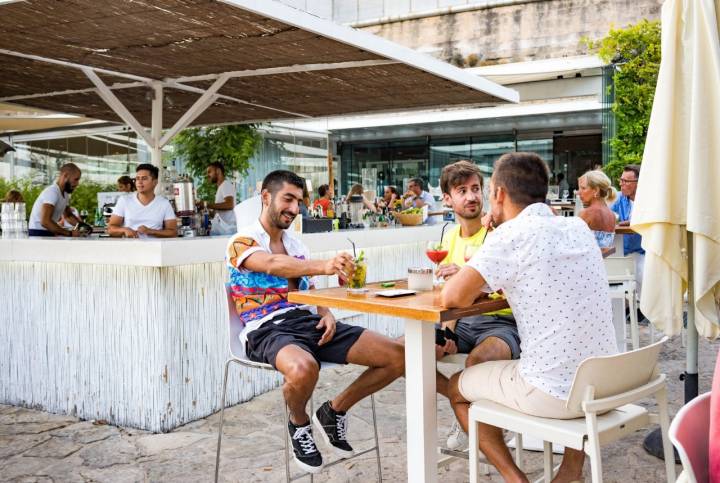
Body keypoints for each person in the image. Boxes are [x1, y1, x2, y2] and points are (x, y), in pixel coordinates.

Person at [442, 152, 617, 483]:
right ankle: (569, 473)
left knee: (456, 388)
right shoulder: (576, 227)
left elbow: (452, 297)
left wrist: (490, 240)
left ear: (498, 194)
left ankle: (514, 479)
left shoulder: (509, 236)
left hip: (553, 394)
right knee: (571, 354)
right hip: (606, 383)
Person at [227, 170, 404, 474]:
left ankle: (334, 410)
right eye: (288, 199)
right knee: (303, 368)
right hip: (265, 328)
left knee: (398, 357)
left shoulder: (297, 245)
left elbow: (307, 290)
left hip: (306, 322)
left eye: (299, 201)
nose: (295, 209)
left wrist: (326, 312)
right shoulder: (241, 242)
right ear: (266, 197)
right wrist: (324, 265)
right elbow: (273, 264)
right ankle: (298, 423)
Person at [434, 160, 521, 450]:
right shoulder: (449, 238)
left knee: (476, 364)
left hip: (503, 323)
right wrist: (446, 333)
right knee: (405, 353)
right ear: (447, 199)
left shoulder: (497, 231)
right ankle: (469, 414)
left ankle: (477, 419)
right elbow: (452, 297)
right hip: (463, 322)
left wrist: (468, 279)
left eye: (476, 189)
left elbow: (507, 286)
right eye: (462, 190)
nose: (472, 196)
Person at [107, 164, 177, 239]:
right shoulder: (124, 200)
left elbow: (173, 232)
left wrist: (151, 231)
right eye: (137, 178)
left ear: (155, 182)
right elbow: (111, 229)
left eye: (144, 178)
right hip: (130, 247)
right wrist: (125, 230)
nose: (139, 182)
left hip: (155, 248)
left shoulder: (164, 203)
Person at [611, 164, 645, 294]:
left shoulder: (648, 201)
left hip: (644, 251)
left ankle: (642, 309)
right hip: (624, 253)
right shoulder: (620, 199)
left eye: (626, 181)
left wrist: (635, 222)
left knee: (644, 276)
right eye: (621, 180)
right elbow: (610, 216)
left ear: (639, 183)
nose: (621, 184)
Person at [28, 163, 83, 237]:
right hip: (38, 234)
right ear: (65, 175)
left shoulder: (65, 194)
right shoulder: (52, 192)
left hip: (48, 233)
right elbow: (45, 221)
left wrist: (84, 227)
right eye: (76, 179)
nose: (77, 183)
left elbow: (68, 216)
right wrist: (69, 233)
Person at [577, 170, 617, 248]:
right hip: (601, 259)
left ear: (596, 190)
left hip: (586, 259)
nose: (579, 192)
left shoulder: (587, 213)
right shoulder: (612, 215)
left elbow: (572, 242)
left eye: (583, 188)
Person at [198, 161, 236, 233]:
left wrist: (206, 204)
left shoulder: (225, 185)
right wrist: (206, 210)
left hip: (228, 230)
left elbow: (229, 205)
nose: (207, 175)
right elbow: (220, 212)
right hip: (223, 229)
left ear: (218, 171)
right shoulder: (221, 187)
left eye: (209, 172)